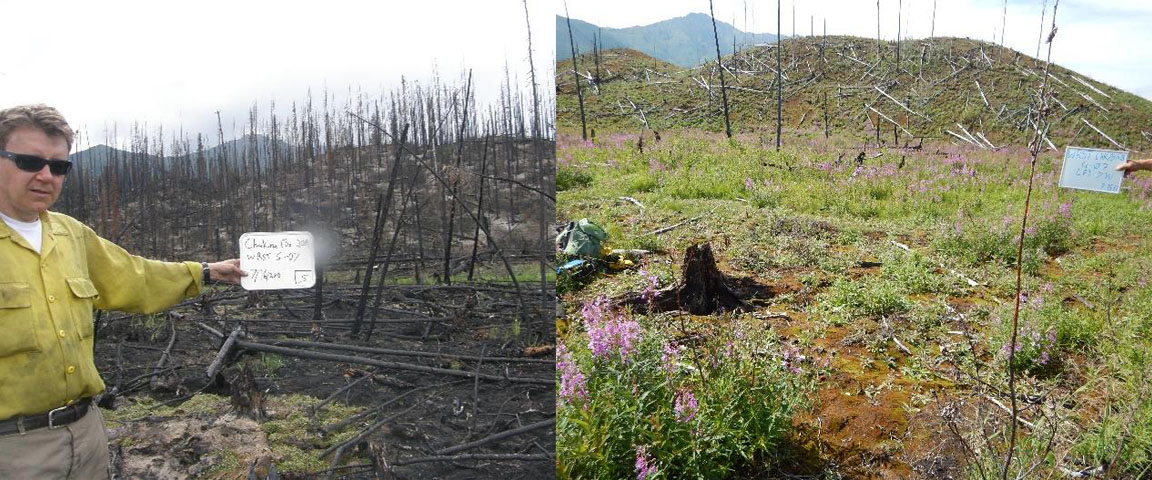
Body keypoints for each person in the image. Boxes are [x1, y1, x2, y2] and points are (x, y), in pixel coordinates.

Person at [0, 104, 246, 479]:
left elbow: (135, 277)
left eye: (59, 166)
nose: (46, 176)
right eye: (29, 162)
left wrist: (208, 272)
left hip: (87, 437)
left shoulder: (71, 235)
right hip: (12, 451)